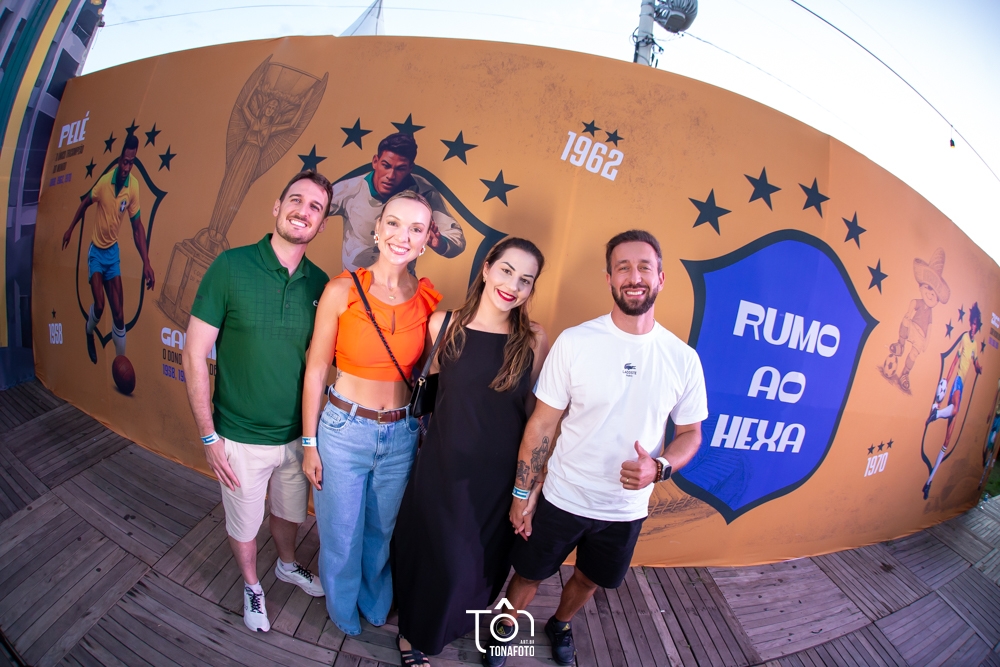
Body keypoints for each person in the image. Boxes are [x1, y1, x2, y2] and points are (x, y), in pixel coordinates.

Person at [495, 230, 708, 667]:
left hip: (624, 510)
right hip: (562, 497)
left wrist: (660, 467)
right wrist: (521, 493)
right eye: (623, 267)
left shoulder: (683, 358)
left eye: (644, 267)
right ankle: (503, 631)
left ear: (661, 278)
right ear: (609, 278)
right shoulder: (576, 342)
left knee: (590, 580)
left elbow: (691, 433)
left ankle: (560, 624)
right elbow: (541, 425)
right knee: (528, 575)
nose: (634, 276)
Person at [182, 170, 332, 633]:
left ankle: (286, 565)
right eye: (296, 200)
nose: (303, 211)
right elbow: (193, 353)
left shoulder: (321, 284)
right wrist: (209, 437)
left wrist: (311, 439)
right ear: (277, 206)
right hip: (239, 438)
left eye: (315, 207)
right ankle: (252, 585)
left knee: (289, 514)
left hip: (297, 438)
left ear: (322, 224)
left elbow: (321, 367)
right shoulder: (230, 266)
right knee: (244, 525)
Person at [392, 238, 550, 665]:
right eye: (506, 271)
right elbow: (435, 391)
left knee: (474, 564)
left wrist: (529, 483)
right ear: (486, 269)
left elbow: (534, 416)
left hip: (497, 479)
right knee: (434, 556)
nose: (512, 286)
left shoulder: (534, 338)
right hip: (443, 467)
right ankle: (412, 634)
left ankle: (451, 623)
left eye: (525, 280)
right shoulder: (442, 325)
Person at [301, 189, 440, 638]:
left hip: (400, 433)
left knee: (382, 530)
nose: (403, 236)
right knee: (341, 532)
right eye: (394, 223)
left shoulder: (428, 300)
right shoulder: (341, 290)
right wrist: (309, 443)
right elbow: (316, 370)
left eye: (416, 229)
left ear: (426, 240)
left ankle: (374, 597)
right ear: (378, 229)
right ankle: (341, 604)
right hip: (344, 429)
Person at [62, 133, 154, 364]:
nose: (126, 167)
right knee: (100, 305)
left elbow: (137, 227)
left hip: (112, 254)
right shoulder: (104, 183)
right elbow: (85, 203)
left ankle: (119, 364)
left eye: (131, 163)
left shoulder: (133, 187)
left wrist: (146, 262)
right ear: (119, 159)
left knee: (119, 315)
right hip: (96, 253)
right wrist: (70, 229)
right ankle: (89, 331)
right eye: (124, 162)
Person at [330, 132, 465, 271]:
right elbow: (316, 209)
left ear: (410, 168)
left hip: (402, 282)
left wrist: (440, 244)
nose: (390, 176)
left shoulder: (424, 192)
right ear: (375, 161)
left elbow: (456, 238)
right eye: (386, 166)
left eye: (400, 169)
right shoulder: (349, 189)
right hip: (354, 280)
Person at [924, 302, 983, 499]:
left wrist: (978, 368)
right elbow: (956, 361)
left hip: (962, 387)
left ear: (978, 326)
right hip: (957, 382)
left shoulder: (975, 345)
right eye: (972, 323)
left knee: (947, 441)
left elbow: (974, 361)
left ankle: (929, 482)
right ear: (970, 323)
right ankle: (937, 414)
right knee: (955, 409)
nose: (973, 327)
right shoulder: (965, 338)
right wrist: (946, 382)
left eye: (975, 324)